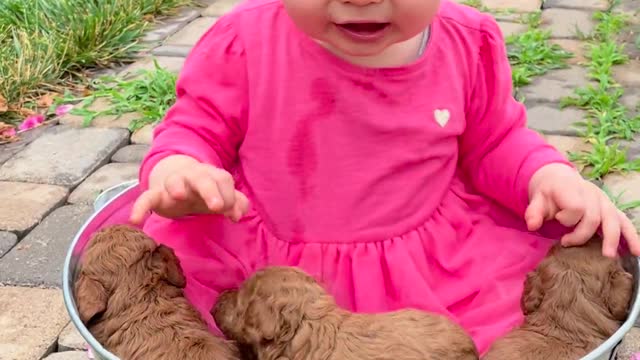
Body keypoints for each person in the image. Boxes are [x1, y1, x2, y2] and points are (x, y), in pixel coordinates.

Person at [128, 0, 640, 354]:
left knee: (493, 335)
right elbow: (196, 128)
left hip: (429, 267)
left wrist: (544, 174)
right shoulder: (246, 43)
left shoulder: (467, 41)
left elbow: (494, 141)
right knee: (189, 329)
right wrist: (182, 171)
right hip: (263, 263)